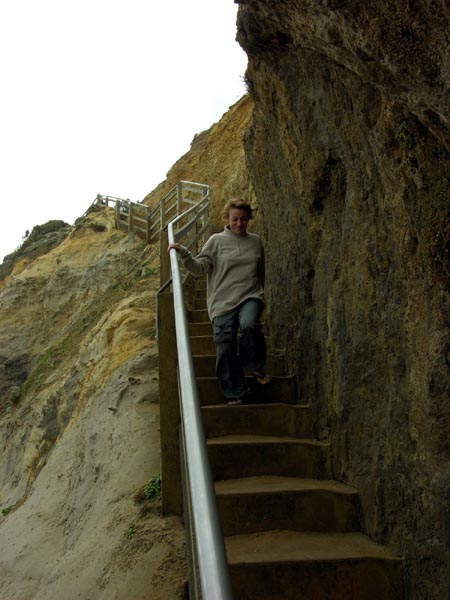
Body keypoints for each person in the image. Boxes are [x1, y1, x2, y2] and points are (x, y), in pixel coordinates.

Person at [168, 199, 270, 405]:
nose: (239, 224)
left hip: (250, 295)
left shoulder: (256, 241)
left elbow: (261, 272)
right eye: (235, 219)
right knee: (225, 348)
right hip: (222, 302)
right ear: (227, 219)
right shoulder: (216, 241)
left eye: (243, 219)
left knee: (249, 324)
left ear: (249, 219)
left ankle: (254, 365)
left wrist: (259, 294)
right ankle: (235, 392)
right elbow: (200, 268)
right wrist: (185, 255)